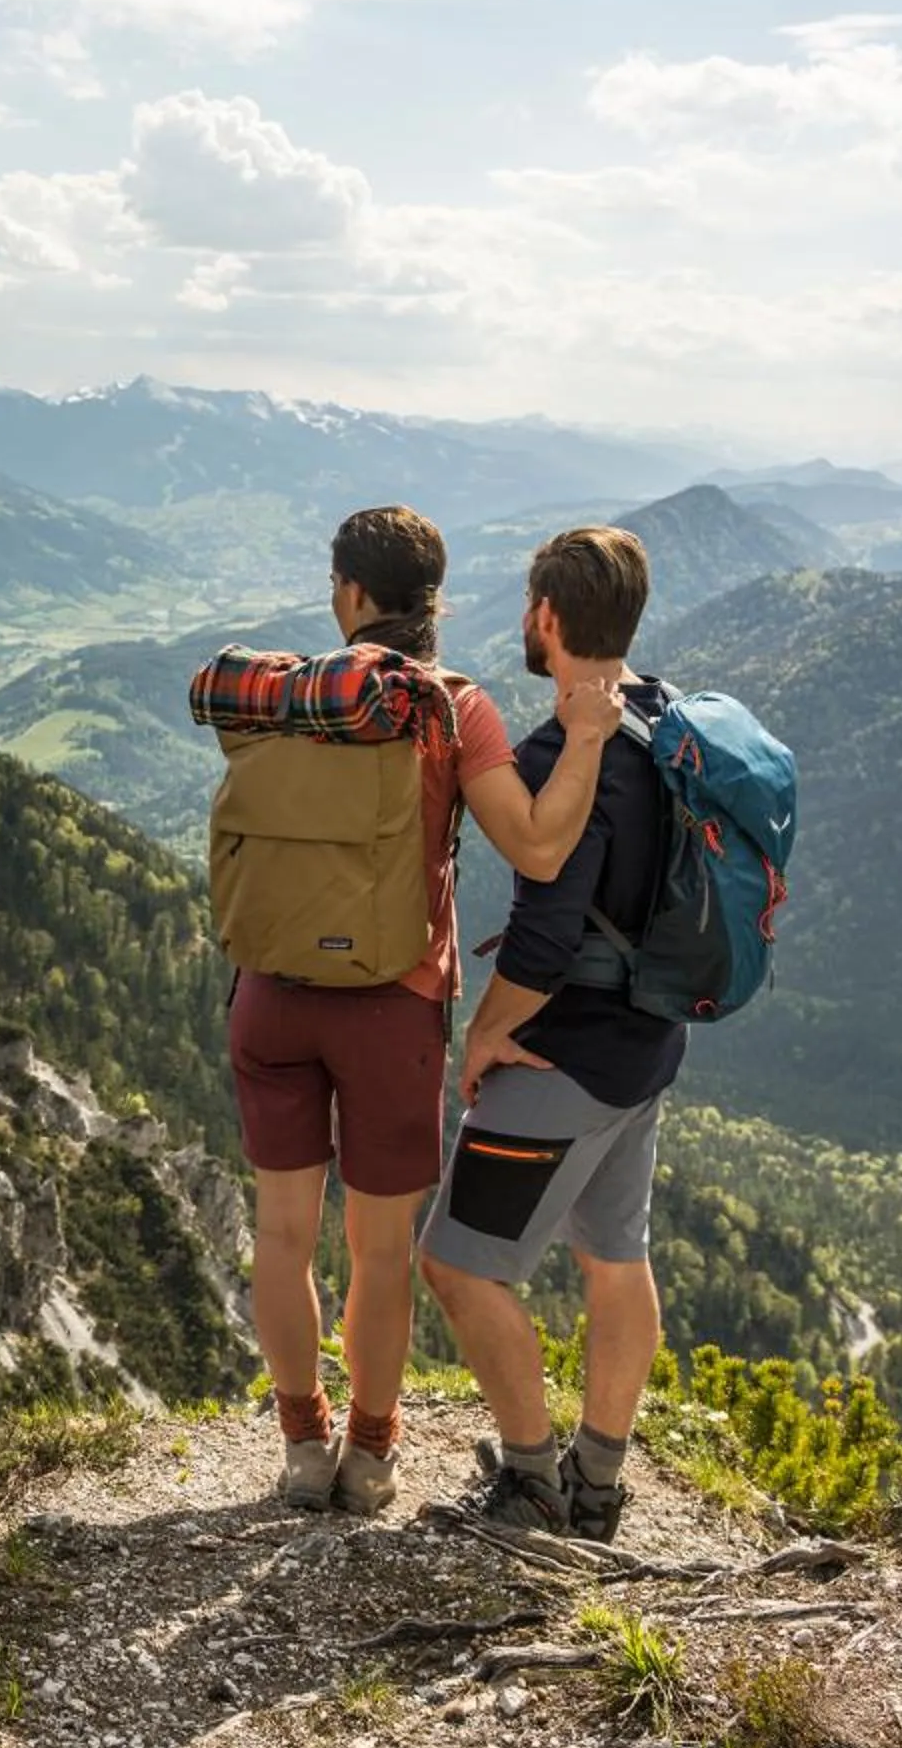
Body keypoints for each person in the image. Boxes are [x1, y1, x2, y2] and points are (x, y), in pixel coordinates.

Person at [193, 505, 619, 1514]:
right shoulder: (450, 706)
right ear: (437, 600)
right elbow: (540, 848)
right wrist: (589, 739)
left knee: (283, 1232)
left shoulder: (289, 699)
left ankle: (302, 1441)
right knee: (378, 1250)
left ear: (347, 594)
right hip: (391, 1004)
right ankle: (370, 1453)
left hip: (269, 996)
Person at [420, 524, 687, 1543]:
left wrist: (482, 1036)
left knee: (458, 1264)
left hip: (565, 1057)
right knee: (617, 1255)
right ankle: (599, 1484)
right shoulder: (662, 720)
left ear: (546, 618)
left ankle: (533, 1481)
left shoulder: (560, 761)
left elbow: (541, 938)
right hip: (648, 1047)